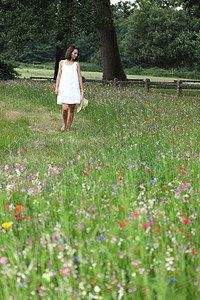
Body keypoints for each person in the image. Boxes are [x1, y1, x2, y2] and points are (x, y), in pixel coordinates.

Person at [55, 46, 85, 131]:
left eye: (77, 54)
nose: (76, 55)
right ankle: (64, 124)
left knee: (72, 108)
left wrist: (82, 89)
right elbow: (59, 75)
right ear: (70, 52)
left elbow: (79, 76)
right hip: (64, 87)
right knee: (65, 108)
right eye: (75, 53)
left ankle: (68, 127)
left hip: (74, 88)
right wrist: (57, 87)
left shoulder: (76, 64)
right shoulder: (62, 62)